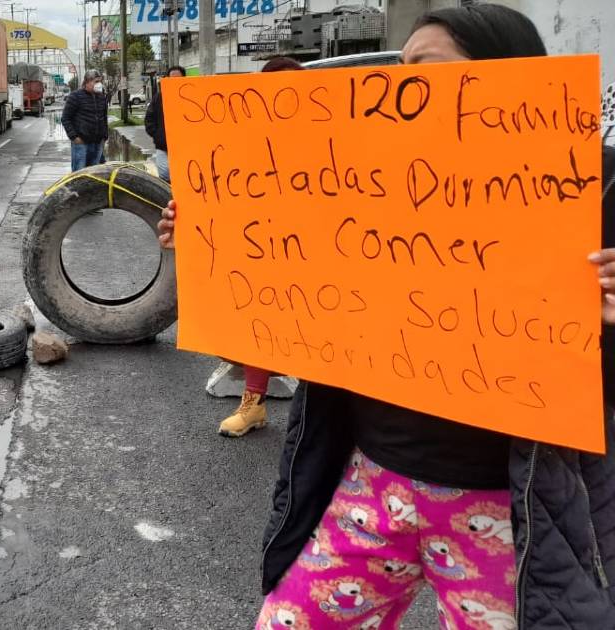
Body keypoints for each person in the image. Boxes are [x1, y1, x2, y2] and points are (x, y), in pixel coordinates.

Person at [158, 5, 615, 628]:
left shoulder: (588, 189)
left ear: (510, 80)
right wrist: (214, 231)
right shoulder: (361, 181)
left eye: (425, 69)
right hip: (374, 483)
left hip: (509, 512)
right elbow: (292, 291)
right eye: (400, 70)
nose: (404, 88)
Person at [213, 56, 304, 439]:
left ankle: (325, 420)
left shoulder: (330, 133)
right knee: (256, 326)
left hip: (320, 255)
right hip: (262, 250)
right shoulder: (244, 137)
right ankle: (254, 404)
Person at [143, 65, 187, 183]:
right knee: (165, 177)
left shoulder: (190, 97)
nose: (175, 82)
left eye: (178, 79)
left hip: (185, 148)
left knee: (184, 177)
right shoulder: (159, 98)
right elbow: (149, 119)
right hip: (163, 148)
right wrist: (158, 136)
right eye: (172, 79)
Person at [62, 69, 109, 172]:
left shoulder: (101, 97)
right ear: (87, 82)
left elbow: (104, 117)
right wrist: (74, 137)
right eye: (96, 81)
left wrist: (105, 136)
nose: (99, 84)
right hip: (81, 144)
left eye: (100, 81)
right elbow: (65, 118)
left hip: (98, 143)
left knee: (96, 175)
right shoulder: (75, 97)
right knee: (79, 175)